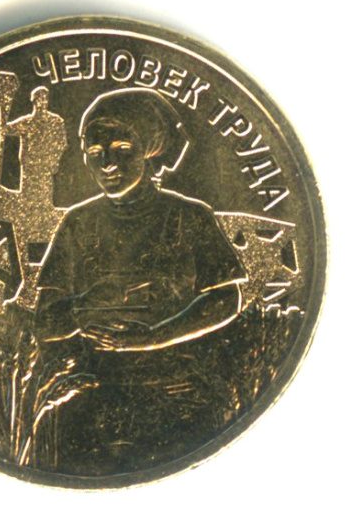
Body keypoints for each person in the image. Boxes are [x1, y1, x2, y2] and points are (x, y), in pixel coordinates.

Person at [33, 88, 247, 471]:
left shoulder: (189, 217)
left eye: (122, 148)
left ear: (150, 149)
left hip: (178, 390)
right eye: (95, 152)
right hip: (94, 388)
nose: (107, 164)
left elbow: (226, 299)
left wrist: (153, 338)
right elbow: (46, 322)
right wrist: (86, 306)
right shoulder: (78, 223)